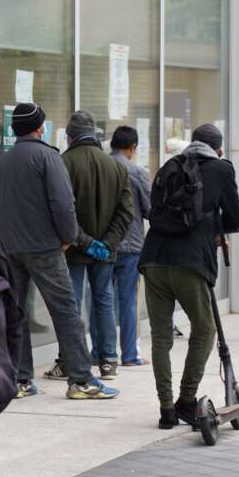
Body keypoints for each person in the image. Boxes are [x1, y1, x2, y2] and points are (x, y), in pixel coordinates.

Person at [0, 102, 118, 400]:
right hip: (44, 247)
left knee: (15, 314)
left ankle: (20, 380)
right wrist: (69, 236)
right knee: (66, 313)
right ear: (39, 128)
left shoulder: (2, 162)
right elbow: (62, 203)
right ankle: (81, 380)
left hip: (8, 249)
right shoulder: (48, 157)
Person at [139, 125, 239, 429]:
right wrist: (214, 225)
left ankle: (166, 410)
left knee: (161, 337)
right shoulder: (222, 169)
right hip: (191, 262)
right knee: (205, 328)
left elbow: (155, 209)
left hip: (153, 259)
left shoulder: (170, 165)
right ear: (218, 149)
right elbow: (236, 217)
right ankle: (186, 399)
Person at [61, 111, 135, 380]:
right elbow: (126, 212)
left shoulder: (64, 163)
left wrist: (84, 242)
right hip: (106, 250)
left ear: (70, 136)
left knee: (72, 302)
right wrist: (107, 243)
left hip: (74, 248)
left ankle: (71, 360)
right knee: (104, 300)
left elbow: (63, 212)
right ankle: (108, 360)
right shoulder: (116, 166)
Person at [108, 126, 151, 366]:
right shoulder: (136, 172)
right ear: (132, 148)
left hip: (103, 244)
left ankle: (101, 353)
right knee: (127, 301)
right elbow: (150, 209)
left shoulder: (101, 167)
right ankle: (129, 354)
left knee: (101, 299)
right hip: (131, 244)